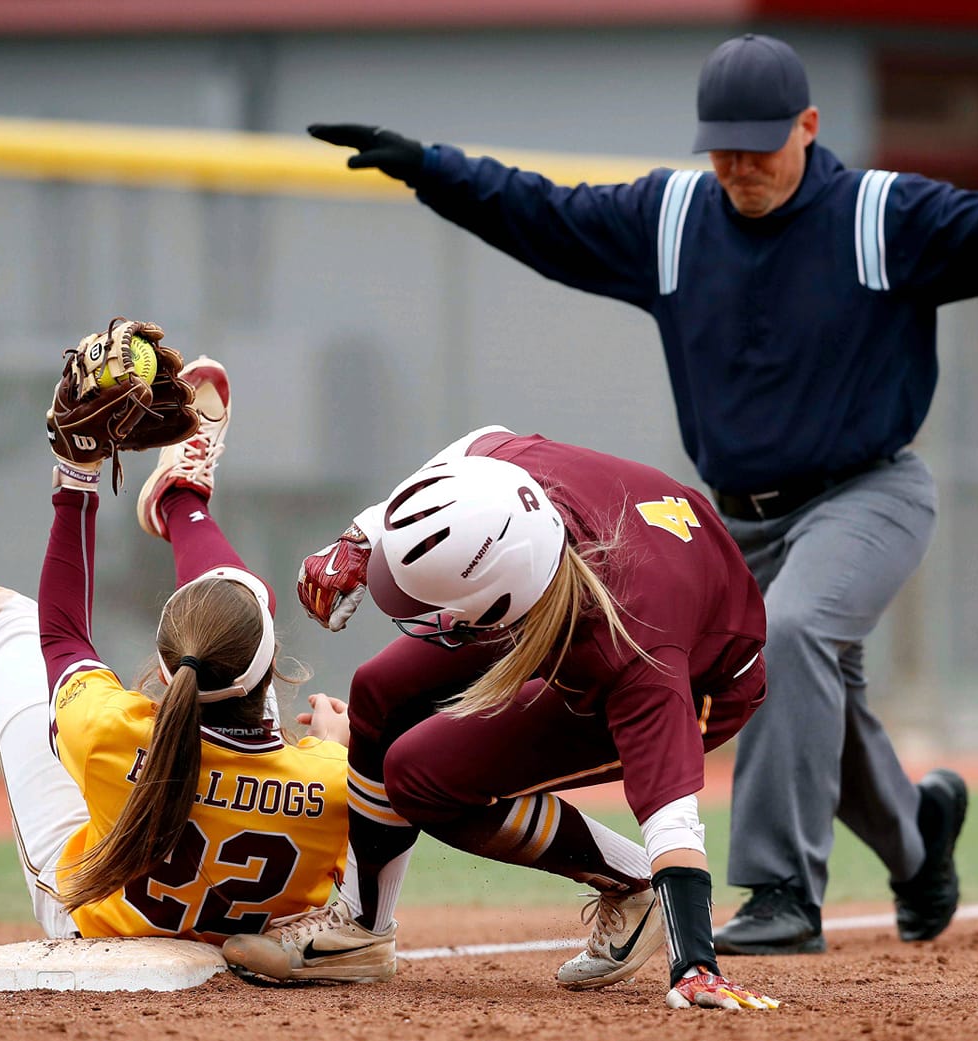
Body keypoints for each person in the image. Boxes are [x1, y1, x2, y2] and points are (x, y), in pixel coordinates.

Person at [305, 34, 978, 954]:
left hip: (867, 491)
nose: (738, 163)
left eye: (759, 143)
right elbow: (542, 213)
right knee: (808, 680)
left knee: (790, 637)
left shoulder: (874, 215)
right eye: (723, 145)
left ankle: (784, 888)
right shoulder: (672, 220)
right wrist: (431, 169)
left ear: (809, 127)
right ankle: (918, 838)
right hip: (727, 517)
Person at [222, 425, 778, 1010]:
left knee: (420, 777)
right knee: (379, 688)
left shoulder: (634, 652)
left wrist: (695, 965)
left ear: (498, 608)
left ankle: (634, 884)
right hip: (578, 590)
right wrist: (364, 532)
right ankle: (360, 933)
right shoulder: (511, 481)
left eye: (435, 606)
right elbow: (475, 444)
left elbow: (673, 821)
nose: (423, 615)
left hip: (703, 681)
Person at [0, 338, 350, 946]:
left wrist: (77, 470)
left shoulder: (113, 731)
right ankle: (180, 500)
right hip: (246, 886)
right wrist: (338, 753)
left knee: (1, 620)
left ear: (161, 678)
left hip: (87, 910)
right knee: (241, 612)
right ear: (273, 678)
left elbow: (59, 633)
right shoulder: (334, 780)